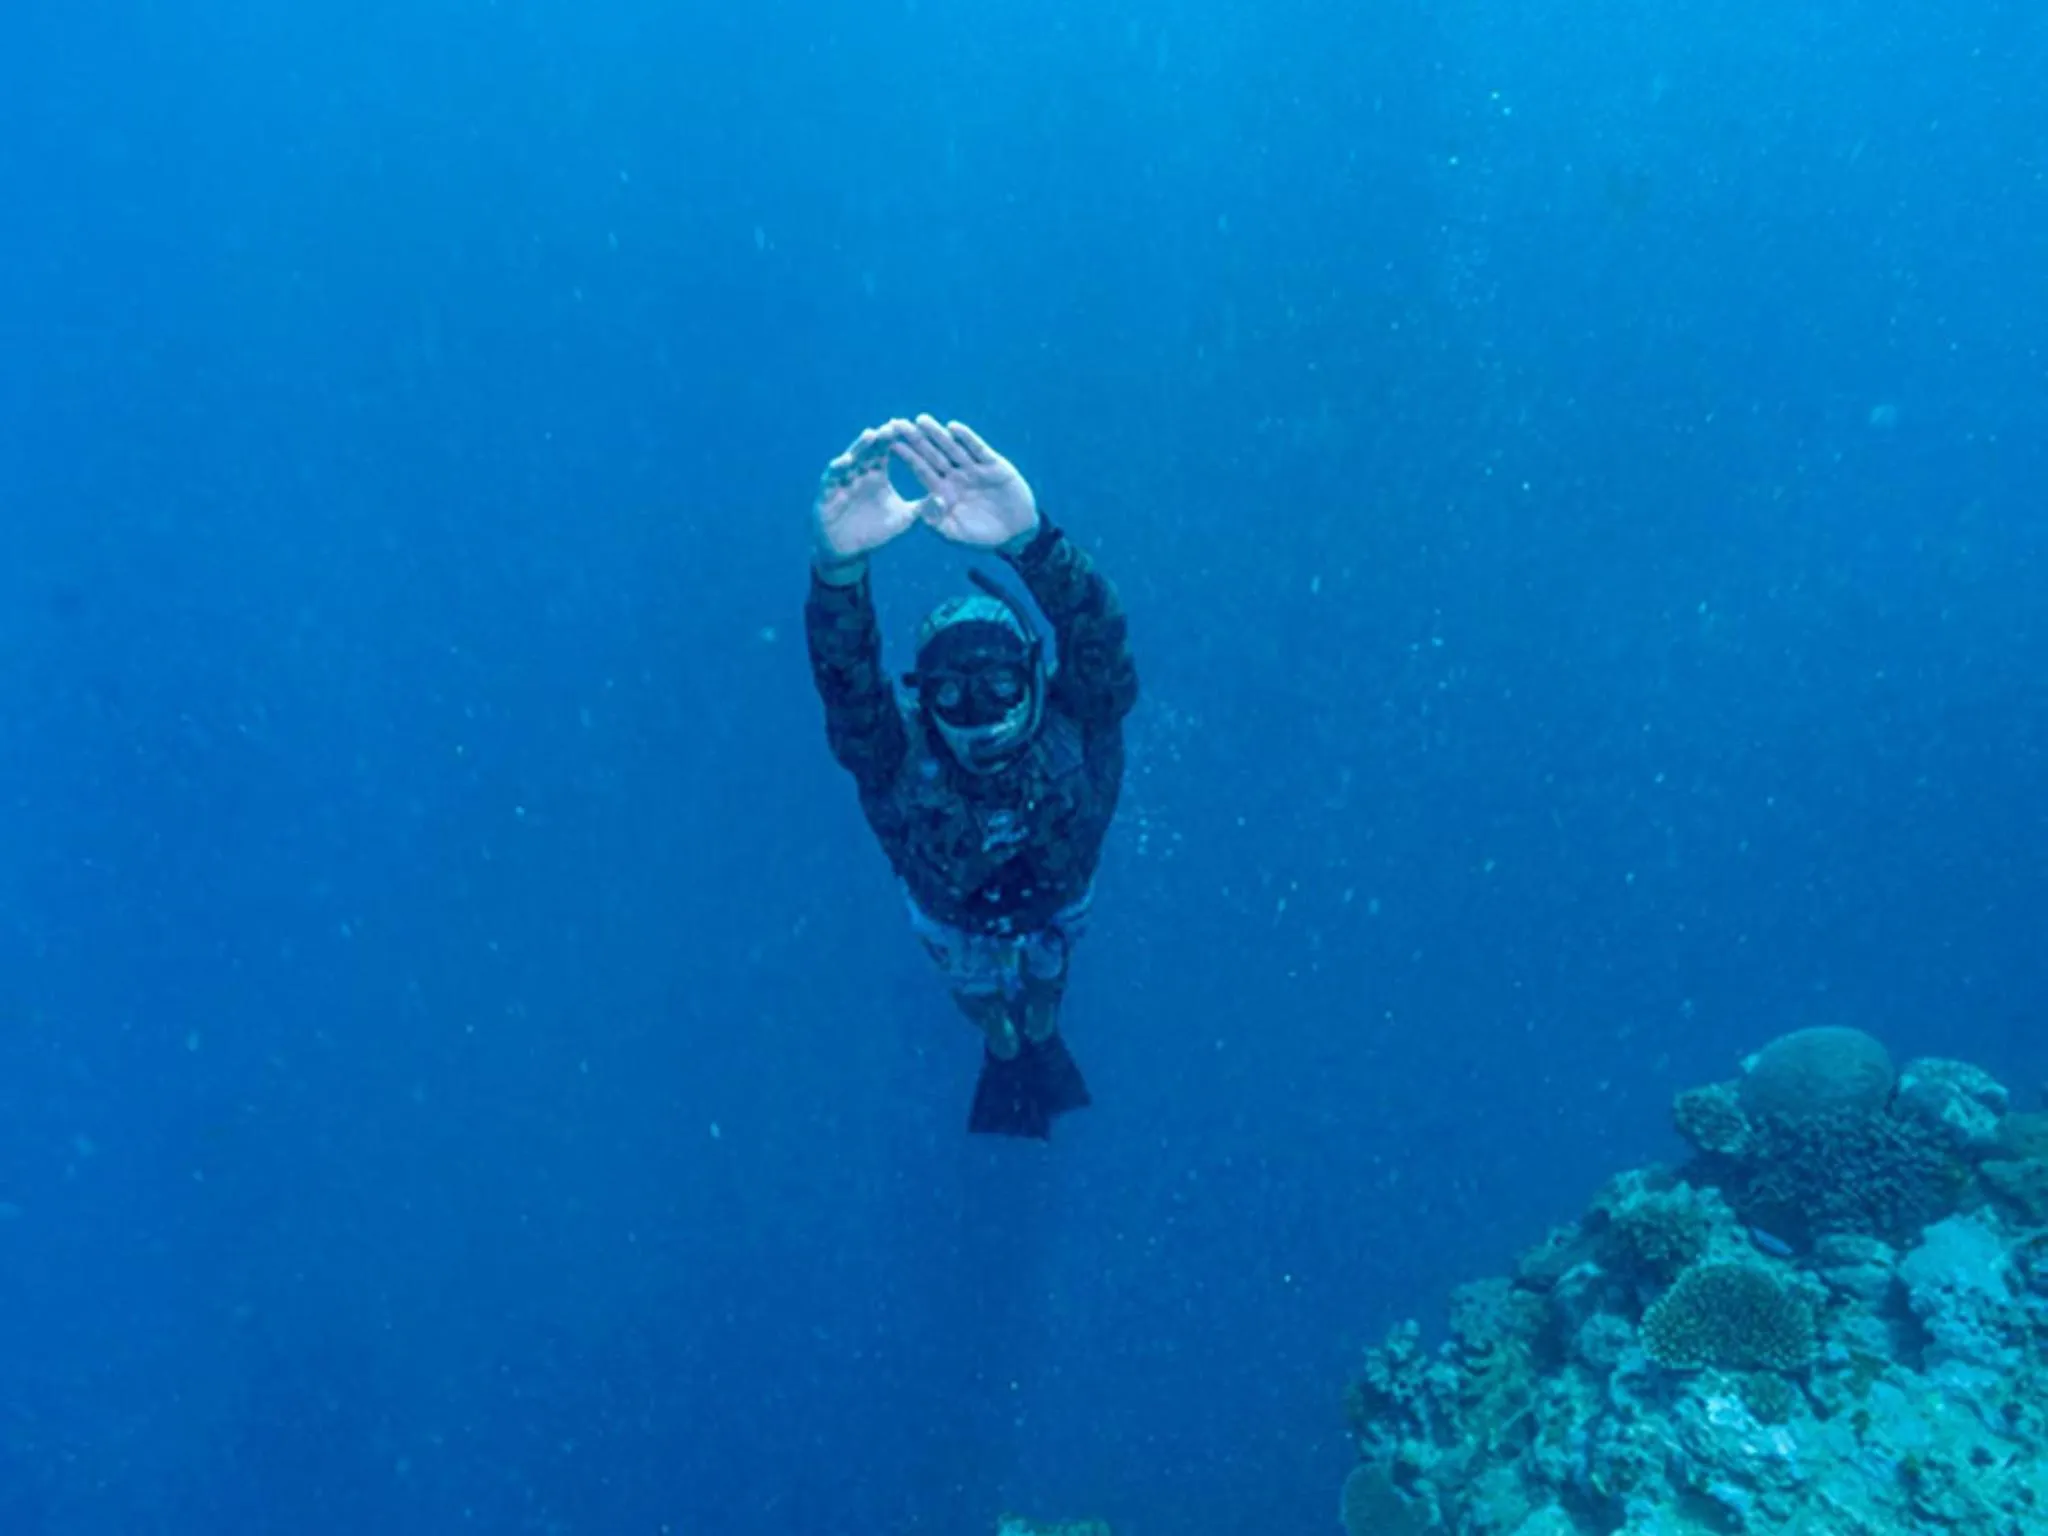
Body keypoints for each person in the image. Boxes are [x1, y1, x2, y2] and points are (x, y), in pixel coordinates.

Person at [804, 414, 1138, 1139]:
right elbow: (849, 683)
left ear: (1034, 679)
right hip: (952, 917)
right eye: (953, 694)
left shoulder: (1083, 715)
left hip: (1055, 898)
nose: (980, 717)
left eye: (998, 688)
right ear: (924, 701)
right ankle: (1005, 1040)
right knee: (978, 988)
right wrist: (838, 572)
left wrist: (1033, 542)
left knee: (1050, 963)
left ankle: (1038, 1026)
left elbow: (1097, 637)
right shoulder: (893, 758)